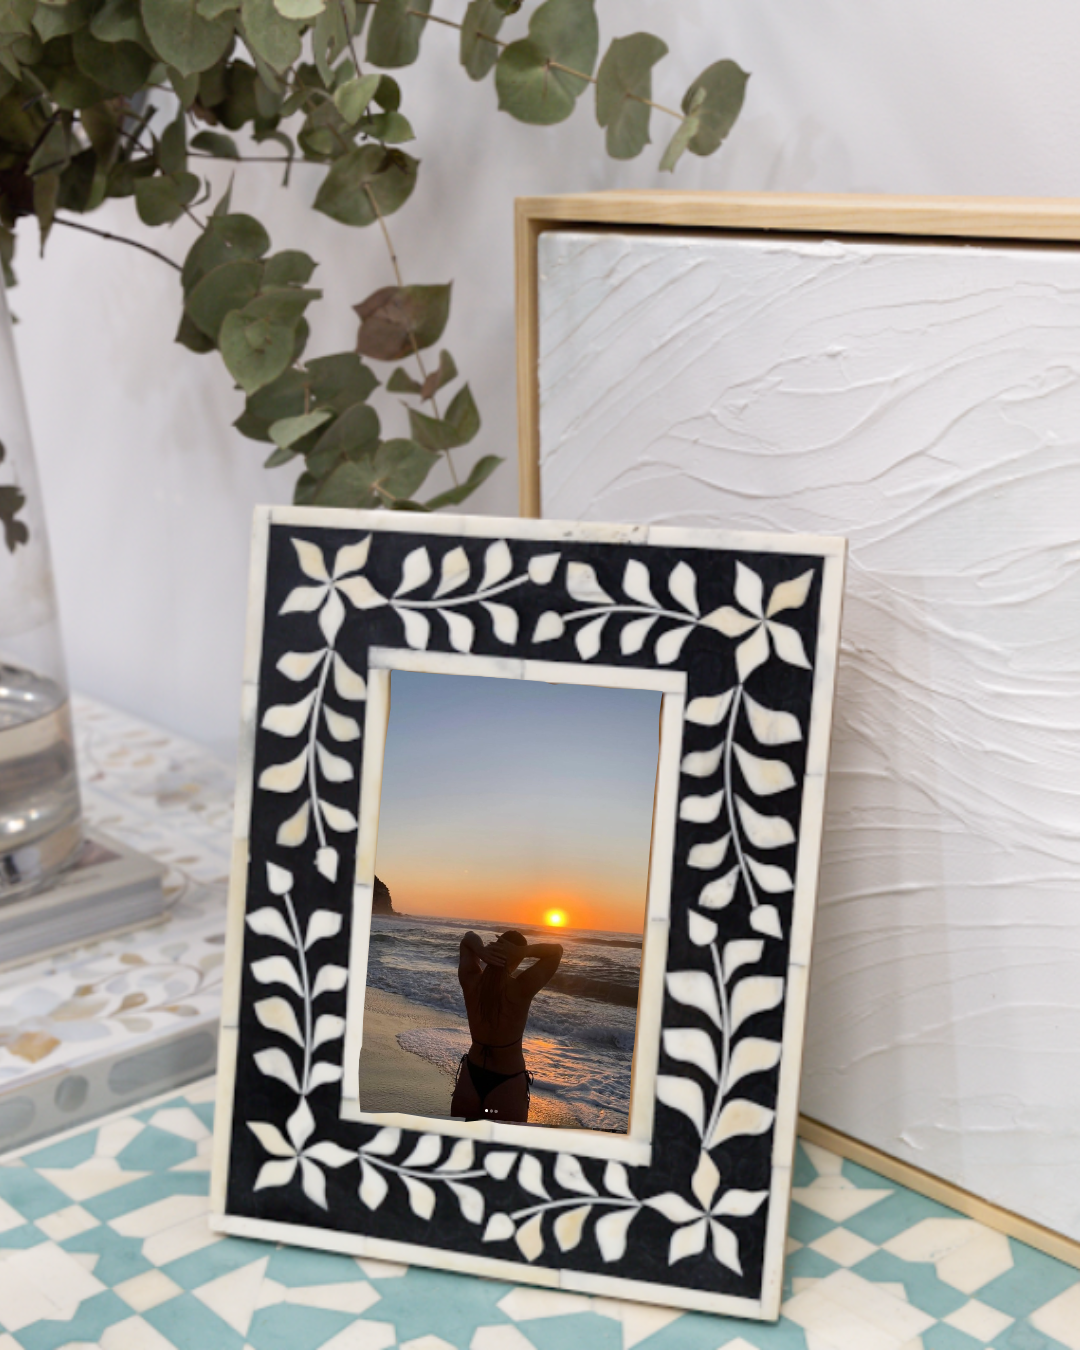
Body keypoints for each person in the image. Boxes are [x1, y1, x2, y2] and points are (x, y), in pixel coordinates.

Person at [450, 929, 562, 1123]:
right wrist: (524, 951)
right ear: (516, 958)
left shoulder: (471, 979)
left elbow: (468, 937)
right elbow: (557, 951)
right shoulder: (522, 988)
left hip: (470, 1079)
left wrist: (480, 950)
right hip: (506, 1082)